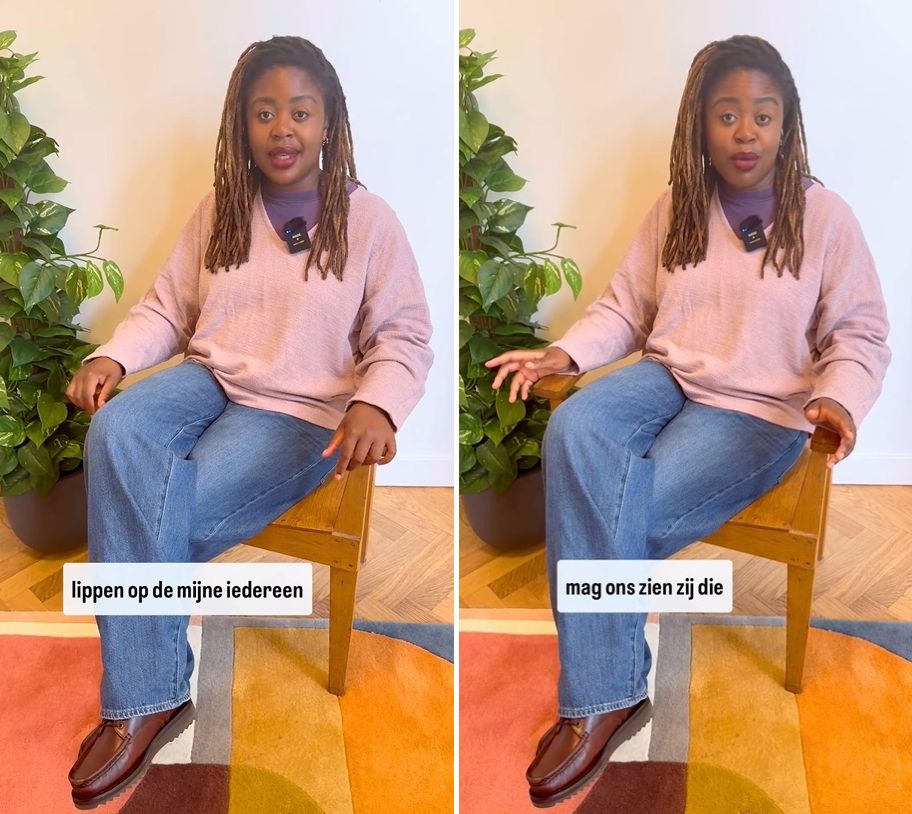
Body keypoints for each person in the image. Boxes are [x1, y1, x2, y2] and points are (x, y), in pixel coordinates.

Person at [486, 34, 889, 808]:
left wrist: (839, 397)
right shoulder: (677, 206)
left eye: (762, 115)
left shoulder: (826, 218)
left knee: (616, 514)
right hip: (667, 376)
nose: (745, 132)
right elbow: (625, 308)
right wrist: (565, 355)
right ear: (699, 124)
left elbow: (860, 334)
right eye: (727, 115)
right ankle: (613, 689)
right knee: (575, 429)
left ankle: (599, 702)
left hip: (760, 410)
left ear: (787, 124)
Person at [64, 36, 433, 809]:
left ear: (329, 122)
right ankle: (156, 688)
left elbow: (402, 336)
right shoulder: (221, 210)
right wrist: (114, 358)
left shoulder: (369, 221)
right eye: (264, 113)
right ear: (242, 124)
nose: (282, 128)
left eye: (300, 111)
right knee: (115, 432)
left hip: (299, 413)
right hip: (208, 378)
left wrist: (376, 401)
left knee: (163, 513)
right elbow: (168, 307)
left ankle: (141, 701)